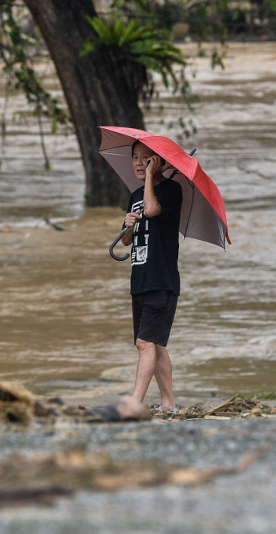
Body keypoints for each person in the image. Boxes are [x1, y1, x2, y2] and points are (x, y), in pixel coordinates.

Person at [120, 141, 183, 411]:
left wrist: (150, 181)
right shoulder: (134, 195)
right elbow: (125, 242)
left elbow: (154, 210)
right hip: (140, 279)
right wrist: (128, 226)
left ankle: (135, 403)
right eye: (135, 157)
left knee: (144, 342)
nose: (137, 163)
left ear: (158, 162)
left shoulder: (171, 189)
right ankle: (168, 403)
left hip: (161, 278)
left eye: (145, 158)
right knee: (154, 345)